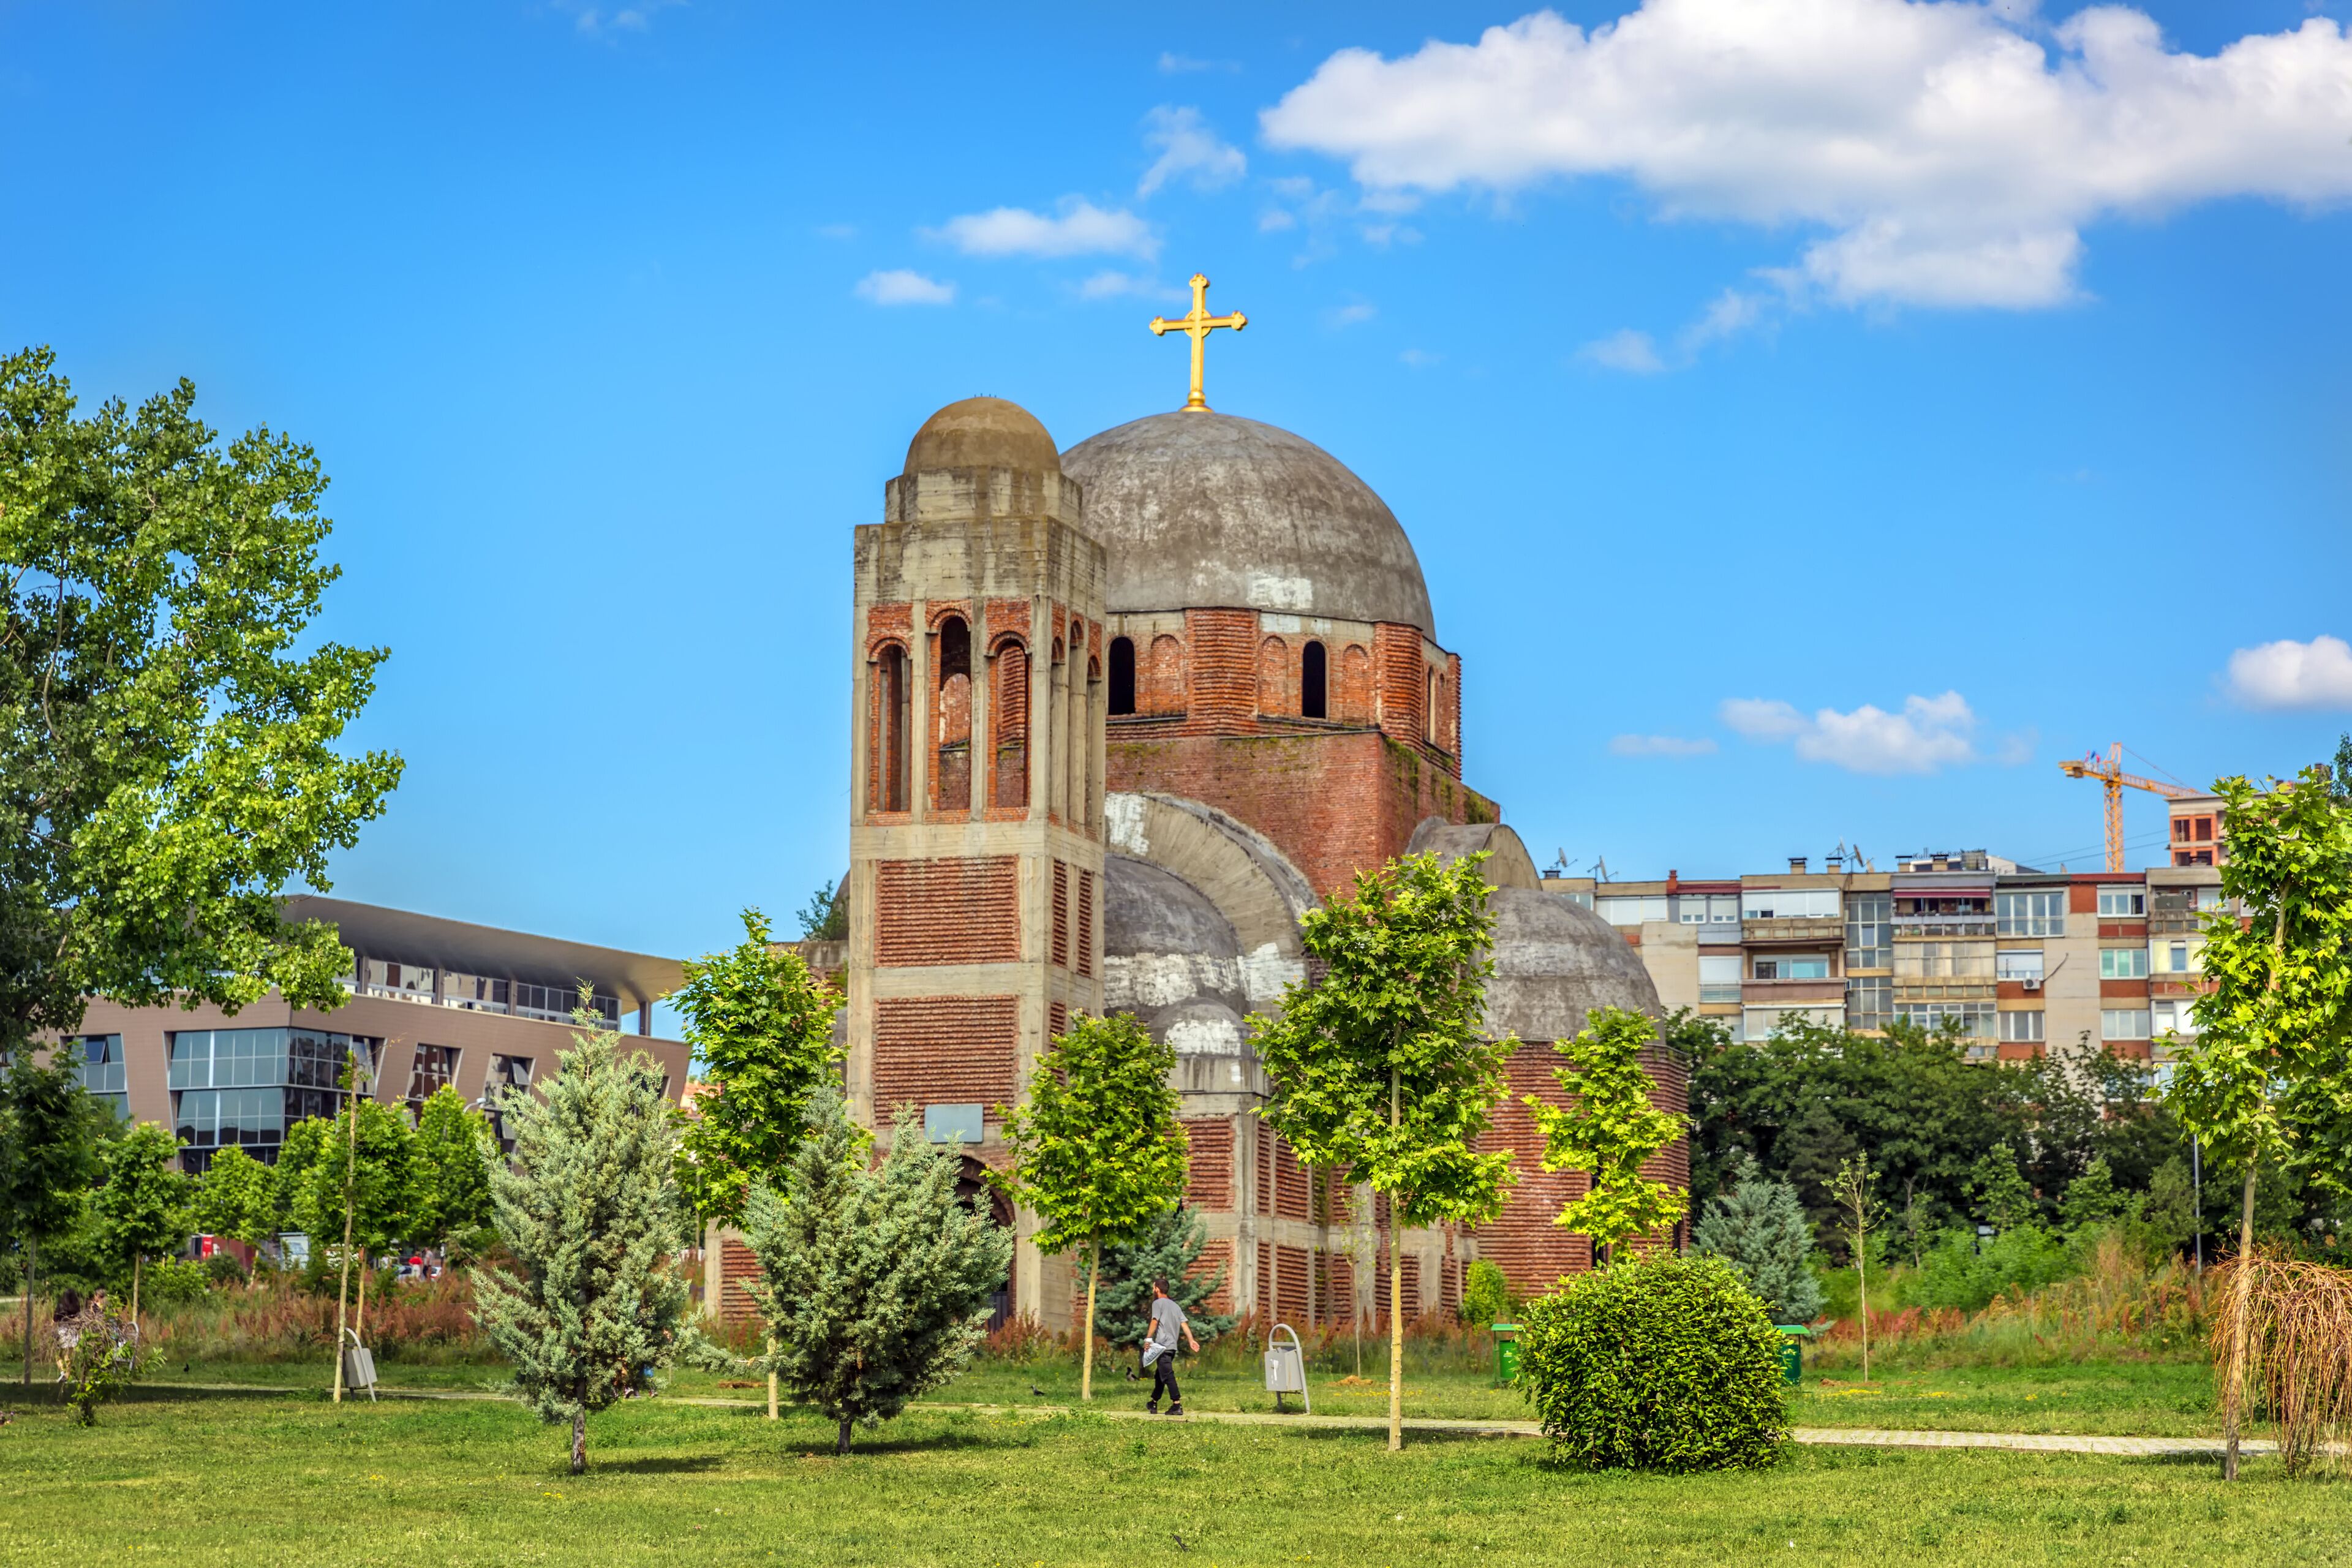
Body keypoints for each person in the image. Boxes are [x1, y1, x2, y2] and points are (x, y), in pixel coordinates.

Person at [1141, 1276, 1198, 1417]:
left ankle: (1177, 1405)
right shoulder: (1175, 1306)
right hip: (1172, 1347)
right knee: (1160, 1375)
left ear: (1157, 1289)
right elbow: (1184, 1324)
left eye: (1154, 1287)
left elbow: (1155, 1322)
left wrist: (1148, 1339)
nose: (1153, 1290)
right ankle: (1153, 1402)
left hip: (1163, 1346)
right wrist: (1191, 1340)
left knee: (1167, 1375)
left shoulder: (1158, 1303)